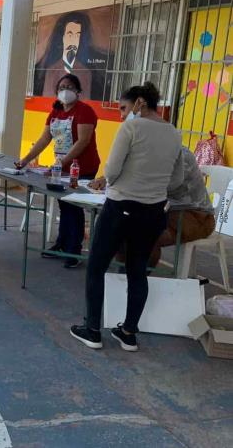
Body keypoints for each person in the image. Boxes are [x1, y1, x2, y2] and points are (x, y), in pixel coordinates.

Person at [70, 82, 183, 352]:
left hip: (120, 208)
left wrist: (124, 181)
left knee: (97, 266)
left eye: (123, 107)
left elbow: (111, 171)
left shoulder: (132, 128)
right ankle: (129, 333)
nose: (121, 114)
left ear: (139, 103)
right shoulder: (173, 132)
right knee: (137, 270)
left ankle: (93, 330)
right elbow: (177, 179)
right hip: (153, 211)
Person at [16, 73, 101, 267]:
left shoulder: (84, 111)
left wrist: (61, 163)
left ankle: (74, 250)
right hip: (61, 168)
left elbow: (83, 141)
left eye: (70, 87)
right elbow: (45, 139)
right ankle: (62, 244)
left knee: (74, 206)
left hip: (82, 167)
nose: (65, 91)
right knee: (64, 205)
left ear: (78, 91)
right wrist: (25, 160)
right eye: (62, 87)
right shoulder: (55, 113)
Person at [90, 146, 214, 268]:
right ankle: (126, 275)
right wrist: (106, 179)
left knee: (142, 235)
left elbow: (156, 186)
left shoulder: (181, 155)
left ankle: (138, 279)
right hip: (164, 211)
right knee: (118, 227)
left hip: (195, 216)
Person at [33, 11, 105, 100]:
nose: (73, 40)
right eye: (70, 34)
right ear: (63, 38)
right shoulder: (51, 70)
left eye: (77, 35)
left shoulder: (86, 72)